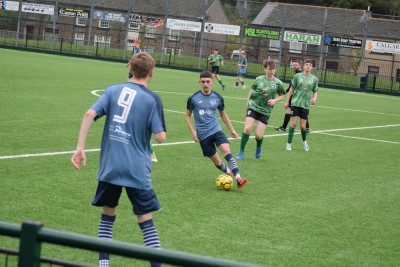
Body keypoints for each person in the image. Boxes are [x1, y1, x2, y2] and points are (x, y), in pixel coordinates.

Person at [71, 52, 166, 267]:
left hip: (111, 167)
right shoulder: (152, 99)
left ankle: (103, 265)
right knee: (145, 220)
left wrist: (80, 148)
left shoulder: (113, 90)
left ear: (130, 70)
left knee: (107, 216)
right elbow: (161, 138)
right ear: (152, 72)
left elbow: (88, 115)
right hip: (137, 170)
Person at [185, 70, 247, 188]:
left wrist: (232, 129)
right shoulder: (193, 98)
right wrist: (193, 131)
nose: (205, 84)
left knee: (226, 151)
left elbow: (223, 114)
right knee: (218, 163)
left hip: (216, 130)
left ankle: (239, 178)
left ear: (212, 82)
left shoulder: (218, 97)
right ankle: (228, 173)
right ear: (199, 82)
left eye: (208, 81)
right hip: (203, 135)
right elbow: (187, 115)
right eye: (203, 82)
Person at [236, 60, 286, 160]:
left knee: (258, 135)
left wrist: (274, 100)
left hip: (265, 110)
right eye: (269, 69)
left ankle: (259, 146)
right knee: (247, 129)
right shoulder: (259, 79)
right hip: (253, 106)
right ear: (265, 69)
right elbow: (252, 90)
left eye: (273, 69)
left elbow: (282, 95)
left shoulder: (278, 83)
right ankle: (241, 151)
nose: (272, 71)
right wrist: (248, 103)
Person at [125, 39, 158, 162]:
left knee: (140, 129)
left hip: (137, 84)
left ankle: (151, 153)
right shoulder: (135, 52)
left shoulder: (139, 52)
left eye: (136, 43)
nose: (135, 45)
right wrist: (129, 65)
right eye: (134, 43)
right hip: (134, 80)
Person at [284, 59, 318, 152]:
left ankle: (304, 142)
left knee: (303, 126)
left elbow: (315, 91)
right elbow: (291, 89)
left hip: (305, 105)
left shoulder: (314, 79)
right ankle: (289, 144)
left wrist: (314, 98)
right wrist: (287, 101)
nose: (308, 66)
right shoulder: (297, 76)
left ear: (312, 67)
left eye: (310, 65)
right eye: (306, 64)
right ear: (303, 66)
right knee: (293, 124)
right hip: (295, 103)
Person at [275, 60, 311, 133]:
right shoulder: (296, 75)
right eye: (293, 65)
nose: (294, 66)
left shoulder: (299, 75)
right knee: (290, 110)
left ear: (300, 66)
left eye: (296, 65)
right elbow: (290, 88)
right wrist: (283, 92)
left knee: (298, 112)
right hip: (294, 96)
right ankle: (306, 128)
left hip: (297, 97)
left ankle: (284, 127)